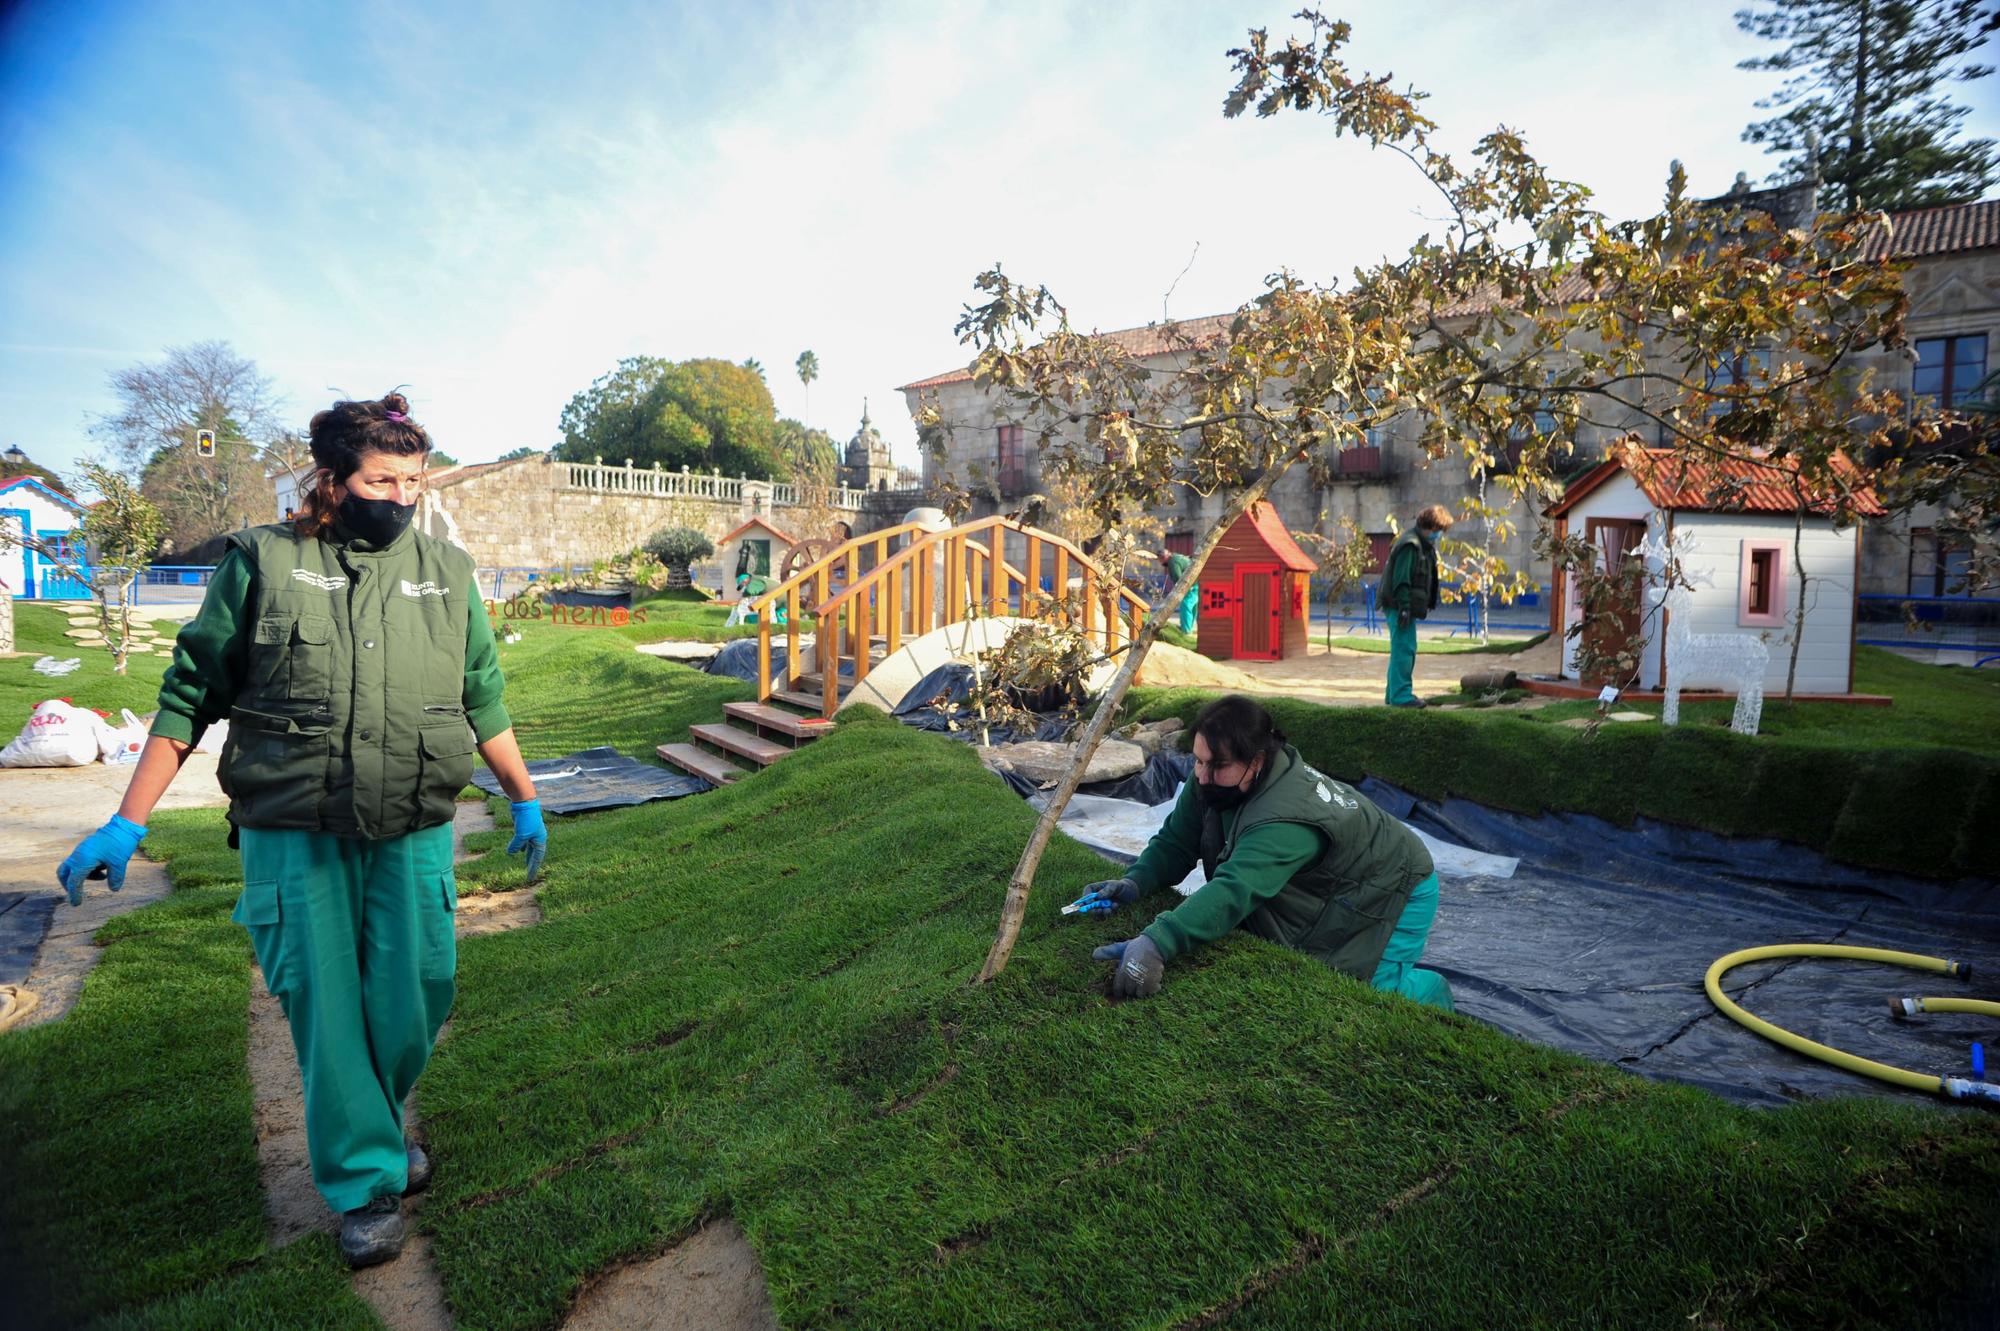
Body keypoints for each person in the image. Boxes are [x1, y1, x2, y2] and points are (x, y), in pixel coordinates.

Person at [54, 392, 548, 1269]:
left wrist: (523, 794)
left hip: (413, 823)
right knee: (325, 1007)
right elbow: (188, 695)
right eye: (381, 479)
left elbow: (483, 693)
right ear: (334, 478)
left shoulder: (447, 570)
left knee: (418, 989)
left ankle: (378, 1131)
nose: (399, 496)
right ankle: (364, 1180)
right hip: (297, 827)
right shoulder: (264, 561)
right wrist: (128, 820)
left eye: (413, 480)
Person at [1071, 695, 1452, 1010]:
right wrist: (1134, 882)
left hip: (1396, 882)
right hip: (1338, 875)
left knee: (1370, 996)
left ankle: (1427, 989)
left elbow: (1234, 891)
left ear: (1256, 761)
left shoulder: (1285, 819)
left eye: (1216, 766)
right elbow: (1176, 842)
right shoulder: (1215, 778)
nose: (1201, 776)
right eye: (1198, 761)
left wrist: (1157, 943)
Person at [1383, 505, 1453, 708]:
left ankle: (1393, 694)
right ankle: (1401, 696)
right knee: (1405, 650)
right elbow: (1401, 579)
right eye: (1439, 531)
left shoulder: (1420, 544)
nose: (1440, 535)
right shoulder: (1410, 545)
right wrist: (1404, 607)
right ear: (1430, 527)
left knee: (1401, 649)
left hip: (1402, 605)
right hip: (1398, 605)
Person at [1159, 549, 1198, 635]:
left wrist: (1176, 592)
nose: (1160, 561)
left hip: (1189, 585)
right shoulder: (1178, 556)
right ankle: (1189, 628)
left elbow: (1178, 578)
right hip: (1196, 582)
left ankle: (1186, 630)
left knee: (1186, 605)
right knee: (1193, 606)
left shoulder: (1172, 562)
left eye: (1161, 558)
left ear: (1166, 556)